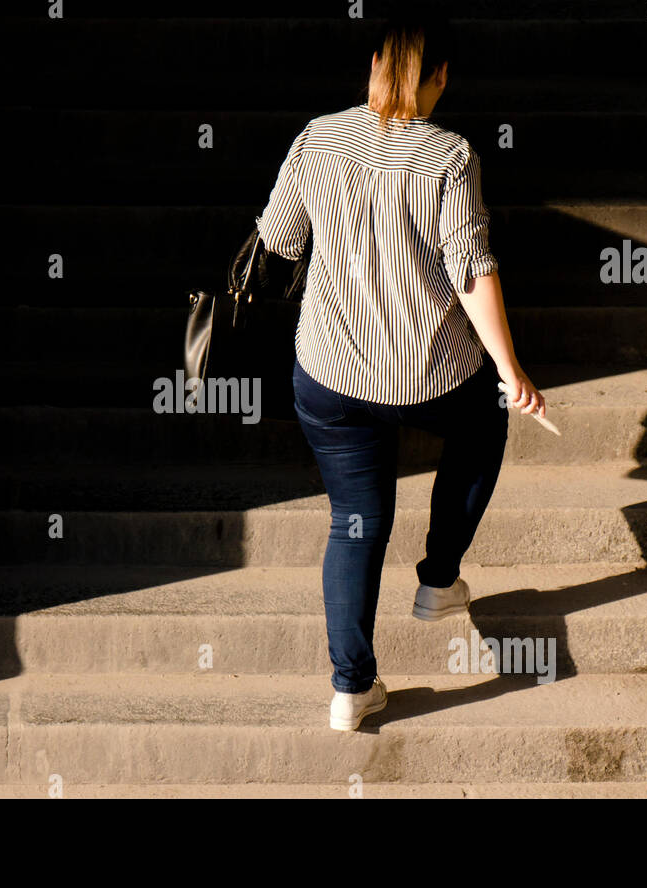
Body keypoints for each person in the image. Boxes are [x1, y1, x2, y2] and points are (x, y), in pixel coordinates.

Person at [255, 9, 547, 731]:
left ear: (374, 67)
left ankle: (351, 689)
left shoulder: (317, 138)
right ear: (440, 76)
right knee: (483, 425)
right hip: (431, 373)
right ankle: (439, 577)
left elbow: (281, 240)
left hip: (332, 374)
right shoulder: (450, 155)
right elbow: (473, 269)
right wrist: (512, 370)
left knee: (354, 525)